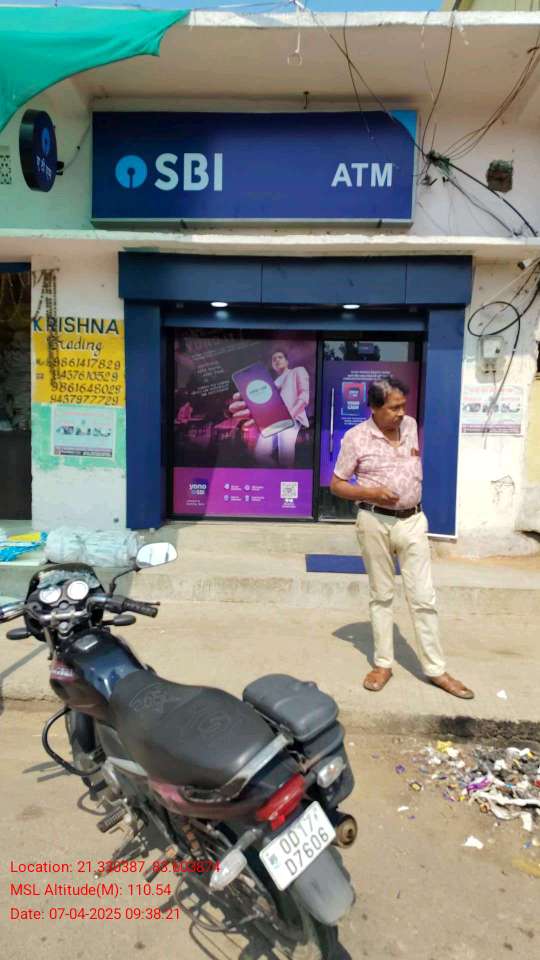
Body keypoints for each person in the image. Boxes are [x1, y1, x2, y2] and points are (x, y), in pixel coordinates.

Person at [330, 377, 474, 699]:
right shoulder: (355, 438)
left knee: (423, 597)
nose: (401, 413)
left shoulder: (409, 426)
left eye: (403, 406)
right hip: (374, 522)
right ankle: (383, 664)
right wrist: (371, 492)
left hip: (413, 522)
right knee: (381, 595)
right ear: (374, 407)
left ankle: (436, 669)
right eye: (394, 407)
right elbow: (336, 485)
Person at [229, 348, 310, 468]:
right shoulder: (272, 382)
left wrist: (289, 415)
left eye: (280, 357)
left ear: (287, 361)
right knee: (259, 454)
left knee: (285, 456)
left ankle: (287, 475)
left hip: (291, 419)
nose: (277, 360)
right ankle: (278, 475)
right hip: (272, 421)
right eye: (274, 359)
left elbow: (304, 396)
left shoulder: (297, 371)